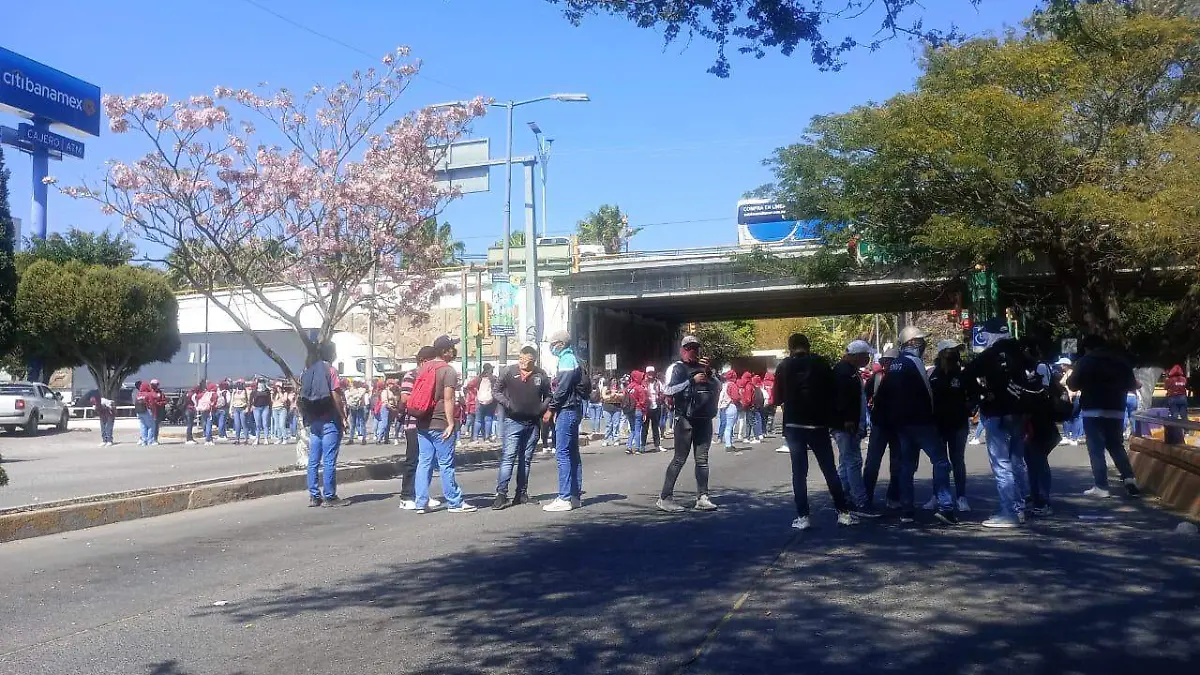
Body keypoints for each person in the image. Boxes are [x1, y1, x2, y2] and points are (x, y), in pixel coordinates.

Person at [874, 325, 958, 526]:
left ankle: (907, 510)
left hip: (902, 425)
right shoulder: (914, 362)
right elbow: (928, 392)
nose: (923, 344)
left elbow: (883, 395)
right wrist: (932, 417)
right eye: (920, 340)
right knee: (941, 462)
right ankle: (946, 507)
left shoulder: (894, 365)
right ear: (911, 342)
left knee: (907, 467)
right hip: (921, 422)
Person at [772, 333, 857, 530]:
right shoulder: (821, 363)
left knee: (799, 473)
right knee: (829, 470)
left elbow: (777, 397)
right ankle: (843, 513)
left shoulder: (783, 366)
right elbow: (834, 393)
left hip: (794, 426)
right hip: (818, 425)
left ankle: (803, 517)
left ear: (790, 348)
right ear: (808, 346)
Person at [961, 338, 1039, 528]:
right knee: (1016, 461)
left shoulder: (989, 355)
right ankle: (1019, 507)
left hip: (996, 412)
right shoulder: (1021, 356)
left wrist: (982, 392)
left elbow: (966, 376)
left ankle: (1008, 512)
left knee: (1001, 464)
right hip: (1018, 414)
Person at [1067, 335, 1141, 498]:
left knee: (1096, 449)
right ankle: (1129, 479)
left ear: (1087, 348)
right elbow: (1132, 384)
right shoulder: (1121, 361)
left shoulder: (1085, 361)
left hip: (1092, 410)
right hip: (1116, 409)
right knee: (1116, 446)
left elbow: (1072, 384)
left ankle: (1101, 486)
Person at [411, 335, 476, 514]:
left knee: (424, 462)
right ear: (445, 351)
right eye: (451, 348)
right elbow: (448, 399)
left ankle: (421, 502)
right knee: (446, 464)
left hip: (423, 422)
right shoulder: (448, 371)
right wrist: (450, 423)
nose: (454, 351)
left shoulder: (424, 368)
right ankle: (454, 502)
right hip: (440, 422)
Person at [657, 335, 720, 513]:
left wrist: (710, 374)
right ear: (682, 350)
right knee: (679, 459)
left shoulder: (704, 368)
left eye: (696, 348)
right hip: (684, 419)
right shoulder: (677, 368)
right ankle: (665, 498)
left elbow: (718, 387)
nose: (693, 351)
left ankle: (703, 497)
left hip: (704, 419)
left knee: (702, 460)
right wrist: (691, 381)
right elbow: (668, 390)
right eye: (689, 348)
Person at [492, 345, 552, 509]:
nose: (523, 363)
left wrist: (542, 408)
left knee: (525, 460)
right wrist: (508, 404)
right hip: (513, 421)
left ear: (534, 360)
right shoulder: (509, 371)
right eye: (521, 359)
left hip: (533, 423)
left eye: (527, 360)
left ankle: (521, 494)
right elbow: (496, 391)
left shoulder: (541, 374)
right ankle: (501, 495)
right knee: (508, 458)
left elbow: (548, 395)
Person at [927, 339, 975, 513]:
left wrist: (968, 408)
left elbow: (974, 395)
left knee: (957, 461)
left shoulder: (962, 375)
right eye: (950, 351)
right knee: (939, 462)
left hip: (958, 424)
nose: (953, 354)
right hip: (938, 424)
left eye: (955, 351)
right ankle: (937, 495)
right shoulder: (932, 375)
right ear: (941, 354)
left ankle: (961, 497)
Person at [299, 342, 349, 507]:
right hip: (330, 420)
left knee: (313, 460)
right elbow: (335, 394)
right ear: (331, 353)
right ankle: (330, 496)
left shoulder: (308, 371)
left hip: (314, 420)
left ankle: (314, 496)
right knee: (329, 460)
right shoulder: (331, 370)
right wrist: (343, 416)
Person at [832, 340, 877, 518]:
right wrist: (849, 420)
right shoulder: (845, 373)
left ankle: (844, 498)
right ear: (856, 356)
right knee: (853, 462)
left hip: (846, 424)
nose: (867, 359)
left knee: (846, 462)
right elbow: (842, 398)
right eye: (866, 356)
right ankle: (860, 502)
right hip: (846, 426)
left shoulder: (847, 371)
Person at [545, 330, 586, 512]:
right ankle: (574, 496)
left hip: (567, 409)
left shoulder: (566, 359)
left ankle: (564, 497)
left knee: (562, 453)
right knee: (573, 453)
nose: (551, 347)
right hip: (574, 408)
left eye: (553, 344)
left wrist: (551, 408)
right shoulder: (573, 358)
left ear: (560, 344)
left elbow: (562, 389)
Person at [397, 347, 442, 511]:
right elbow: (405, 398)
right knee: (413, 459)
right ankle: (406, 496)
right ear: (423, 361)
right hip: (413, 424)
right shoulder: (411, 375)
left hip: (428, 424)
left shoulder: (432, 375)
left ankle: (421, 495)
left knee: (426, 461)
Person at [862, 348, 902, 508]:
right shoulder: (879, 377)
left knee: (889, 463)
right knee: (877, 463)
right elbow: (866, 395)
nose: (887, 364)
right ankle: (876, 497)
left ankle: (877, 497)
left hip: (889, 425)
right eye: (886, 361)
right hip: (885, 424)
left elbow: (866, 395)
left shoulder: (879, 377)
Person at [641, 366, 665, 452]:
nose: (651, 374)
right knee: (645, 428)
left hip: (656, 407)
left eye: (652, 372)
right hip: (646, 408)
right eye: (649, 373)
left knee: (655, 427)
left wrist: (660, 398)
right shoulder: (642, 383)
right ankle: (642, 446)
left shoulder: (658, 382)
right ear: (647, 373)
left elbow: (662, 392)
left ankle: (657, 445)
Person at [625, 370, 648, 454]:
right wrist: (644, 412)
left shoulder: (628, 387)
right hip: (638, 409)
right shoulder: (639, 388)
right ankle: (637, 448)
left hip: (629, 410)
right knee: (638, 429)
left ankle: (629, 447)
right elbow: (643, 401)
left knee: (632, 429)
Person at [474, 364, 498, 442]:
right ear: (490, 369)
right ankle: (487, 438)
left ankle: (475, 438)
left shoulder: (478, 378)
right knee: (488, 419)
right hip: (490, 401)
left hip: (479, 401)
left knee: (478, 420)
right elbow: (497, 389)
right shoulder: (493, 378)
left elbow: (469, 385)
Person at [718, 369, 741, 450]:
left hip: (725, 406)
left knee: (728, 426)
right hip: (731, 405)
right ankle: (728, 444)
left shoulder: (725, 385)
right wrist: (740, 398)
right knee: (730, 426)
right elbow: (736, 397)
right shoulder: (733, 385)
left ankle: (729, 443)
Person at [601, 374, 624, 446]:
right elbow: (604, 396)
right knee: (608, 424)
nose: (614, 381)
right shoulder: (605, 388)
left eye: (615, 380)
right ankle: (606, 439)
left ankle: (616, 439)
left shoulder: (619, 388)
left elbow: (623, 395)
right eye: (613, 380)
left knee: (616, 424)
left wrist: (617, 395)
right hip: (607, 407)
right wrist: (611, 396)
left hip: (617, 407)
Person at [134, 382, 157, 447]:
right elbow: (152, 404)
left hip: (139, 412)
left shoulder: (138, 395)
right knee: (151, 426)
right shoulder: (149, 394)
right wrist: (154, 413)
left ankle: (144, 441)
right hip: (147, 412)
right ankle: (150, 441)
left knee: (143, 427)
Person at [197, 382, 220, 446]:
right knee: (209, 425)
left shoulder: (204, 394)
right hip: (210, 411)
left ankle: (207, 437)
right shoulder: (214, 394)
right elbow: (215, 403)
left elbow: (197, 397)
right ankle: (208, 439)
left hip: (203, 410)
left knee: (204, 424)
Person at [251, 379, 271, 446]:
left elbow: (269, 400)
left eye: (262, 382)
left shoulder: (267, 391)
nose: (261, 384)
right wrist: (251, 406)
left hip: (265, 407)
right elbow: (251, 399)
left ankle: (266, 439)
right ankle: (257, 439)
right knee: (257, 424)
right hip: (256, 408)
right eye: (260, 383)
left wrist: (270, 408)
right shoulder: (254, 391)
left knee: (265, 423)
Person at [230, 379, 249, 444]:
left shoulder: (245, 391)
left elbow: (248, 400)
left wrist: (247, 409)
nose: (239, 385)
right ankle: (237, 439)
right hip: (235, 408)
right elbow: (232, 401)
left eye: (240, 384)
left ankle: (246, 439)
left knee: (244, 424)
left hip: (242, 408)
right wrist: (230, 410)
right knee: (237, 424)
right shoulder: (234, 392)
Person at [149, 379, 168, 444]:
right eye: (152, 385)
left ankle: (155, 439)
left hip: (158, 412)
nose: (153, 386)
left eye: (156, 384)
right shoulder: (149, 392)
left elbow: (164, 401)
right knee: (148, 426)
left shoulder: (160, 393)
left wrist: (158, 403)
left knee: (156, 426)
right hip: (150, 412)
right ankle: (147, 439)